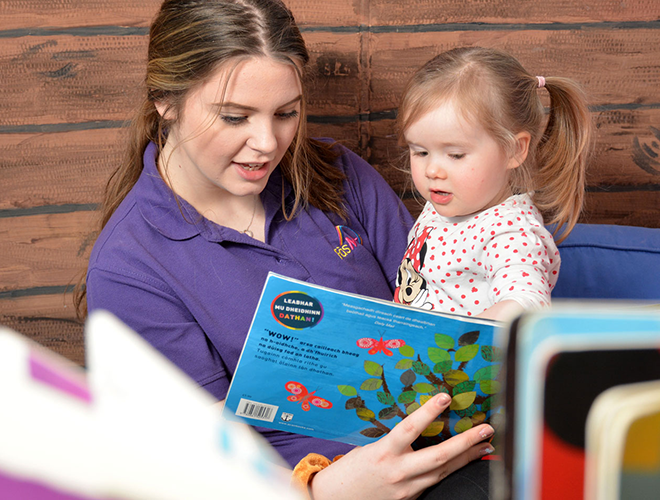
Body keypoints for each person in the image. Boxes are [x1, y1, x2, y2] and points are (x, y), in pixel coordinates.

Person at [79, 0, 494, 498]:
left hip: (452, 450)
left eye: (286, 113)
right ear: (166, 102)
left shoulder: (340, 174)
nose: (267, 143)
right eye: (235, 117)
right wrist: (324, 490)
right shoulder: (129, 267)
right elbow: (198, 461)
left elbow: (437, 308)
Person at [392, 47, 593, 321]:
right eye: (420, 152)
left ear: (513, 150)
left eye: (456, 155)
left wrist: (464, 335)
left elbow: (526, 303)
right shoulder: (448, 201)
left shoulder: (509, 234)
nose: (432, 170)